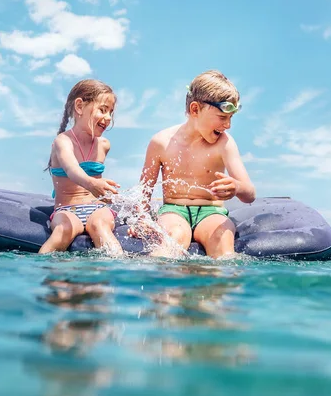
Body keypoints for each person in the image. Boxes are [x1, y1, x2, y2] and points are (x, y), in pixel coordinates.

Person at [130, 70, 256, 258]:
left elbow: (250, 194)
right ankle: (160, 285)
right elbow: (144, 191)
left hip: (211, 211)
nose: (228, 125)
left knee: (221, 239)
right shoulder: (161, 142)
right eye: (222, 117)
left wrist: (236, 187)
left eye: (230, 118)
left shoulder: (225, 144)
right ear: (195, 109)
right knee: (176, 236)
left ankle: (218, 287)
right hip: (174, 210)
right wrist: (141, 219)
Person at [39, 79, 123, 255]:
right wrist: (92, 183)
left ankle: (112, 276)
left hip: (97, 209)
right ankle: (51, 278)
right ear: (79, 107)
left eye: (111, 112)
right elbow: (72, 170)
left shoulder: (104, 145)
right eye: (102, 110)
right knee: (63, 230)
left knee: (100, 226)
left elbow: (101, 192)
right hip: (66, 209)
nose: (108, 118)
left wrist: (110, 194)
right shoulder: (62, 142)